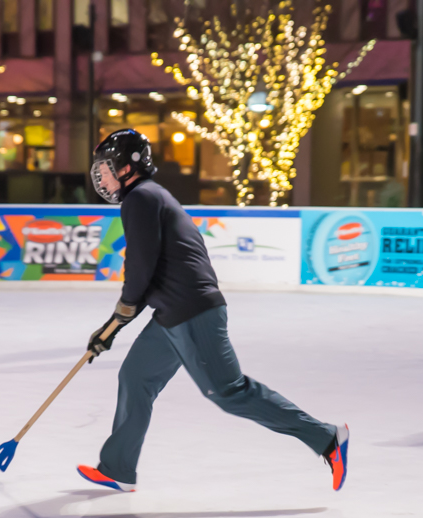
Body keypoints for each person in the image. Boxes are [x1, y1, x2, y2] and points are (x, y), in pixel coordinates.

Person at [77, 129, 348, 492]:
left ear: (129, 166)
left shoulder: (140, 198)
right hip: (171, 313)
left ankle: (328, 439)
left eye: (106, 168)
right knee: (136, 377)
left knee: (229, 392)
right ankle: (117, 468)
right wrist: (112, 327)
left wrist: (118, 318)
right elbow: (150, 272)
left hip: (191, 312)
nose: (102, 177)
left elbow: (140, 268)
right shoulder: (148, 197)